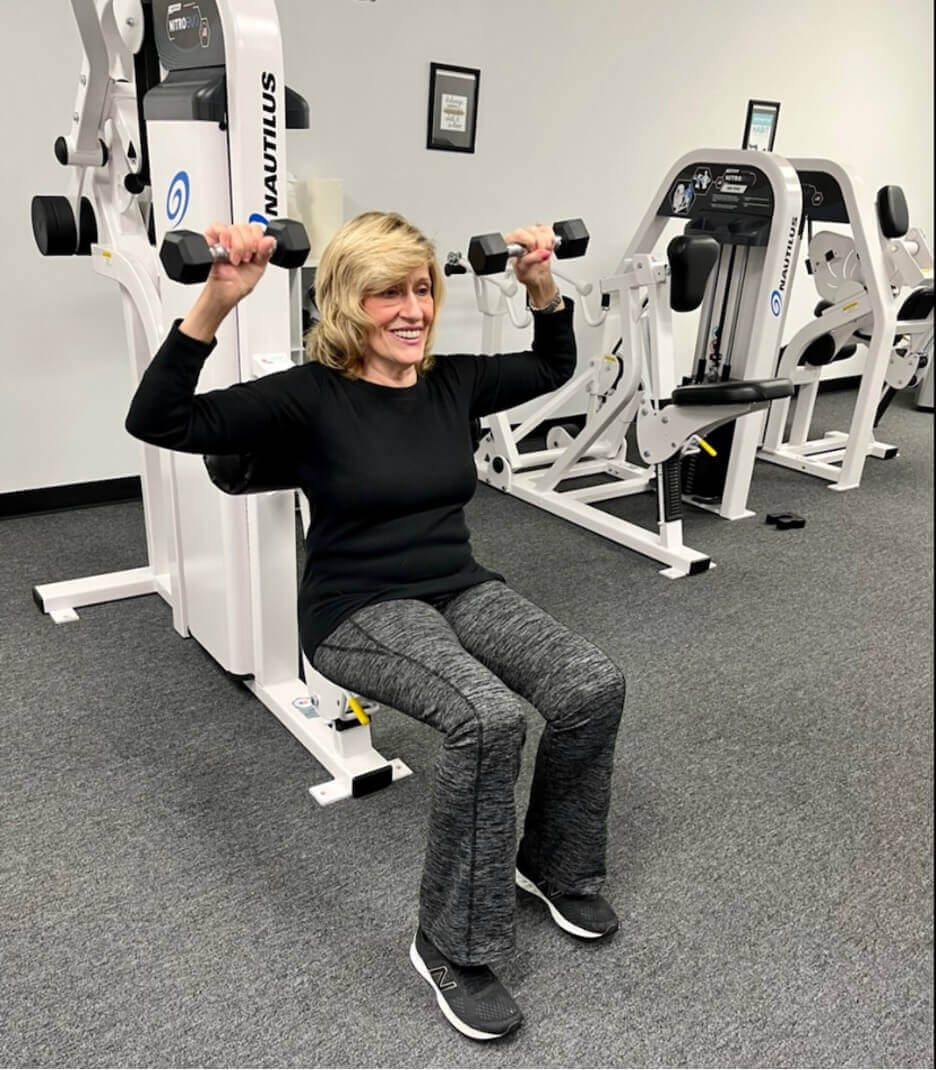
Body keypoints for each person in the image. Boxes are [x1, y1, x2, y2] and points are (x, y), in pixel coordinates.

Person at [126, 211, 626, 1042]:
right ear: (345, 305)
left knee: (590, 685)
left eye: (422, 288)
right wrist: (216, 301)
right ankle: (451, 946)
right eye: (385, 292)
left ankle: (553, 865)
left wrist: (541, 285)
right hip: (357, 608)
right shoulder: (307, 397)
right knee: (485, 718)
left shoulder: (450, 382)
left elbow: (552, 362)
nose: (411, 309)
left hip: (458, 585)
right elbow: (159, 421)